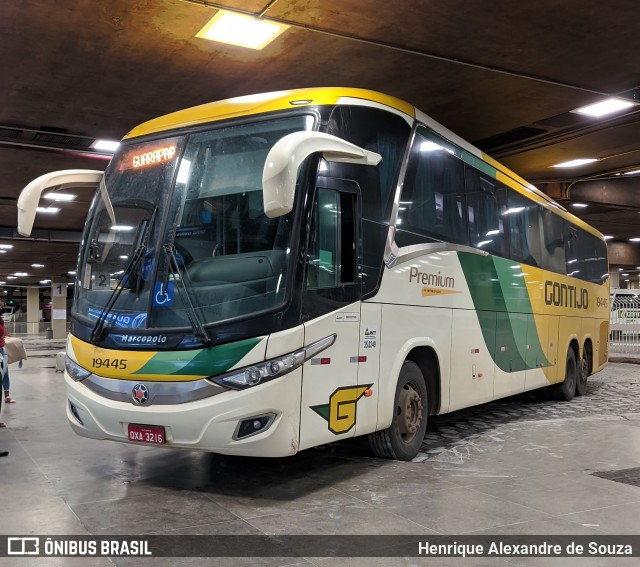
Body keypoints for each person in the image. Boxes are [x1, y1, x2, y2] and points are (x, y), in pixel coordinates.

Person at [0, 316, 14, 404]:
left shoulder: (0, 320)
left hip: (1, 349)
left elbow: (4, 332)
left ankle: (7, 396)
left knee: (5, 372)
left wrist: (9, 338)